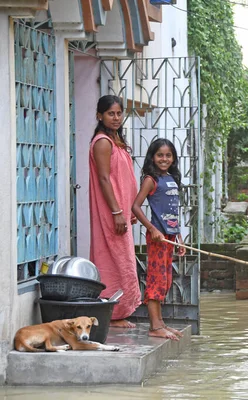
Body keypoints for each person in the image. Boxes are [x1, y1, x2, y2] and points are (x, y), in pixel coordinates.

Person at [89, 95, 141, 328]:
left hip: (120, 211)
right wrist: (117, 211)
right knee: (113, 260)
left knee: (123, 260)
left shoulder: (116, 140)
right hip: (111, 212)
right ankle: (110, 314)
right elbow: (103, 178)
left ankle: (116, 312)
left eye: (119, 113)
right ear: (100, 116)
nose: (116, 117)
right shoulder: (102, 142)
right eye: (111, 113)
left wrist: (129, 209)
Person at [132, 139, 185, 340]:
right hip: (158, 238)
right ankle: (154, 326)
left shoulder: (171, 178)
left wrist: (179, 237)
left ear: (173, 158)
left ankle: (160, 323)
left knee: (166, 279)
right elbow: (135, 206)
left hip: (170, 237)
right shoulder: (150, 179)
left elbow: (173, 212)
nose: (164, 159)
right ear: (152, 157)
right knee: (156, 278)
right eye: (160, 155)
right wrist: (152, 229)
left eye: (168, 155)